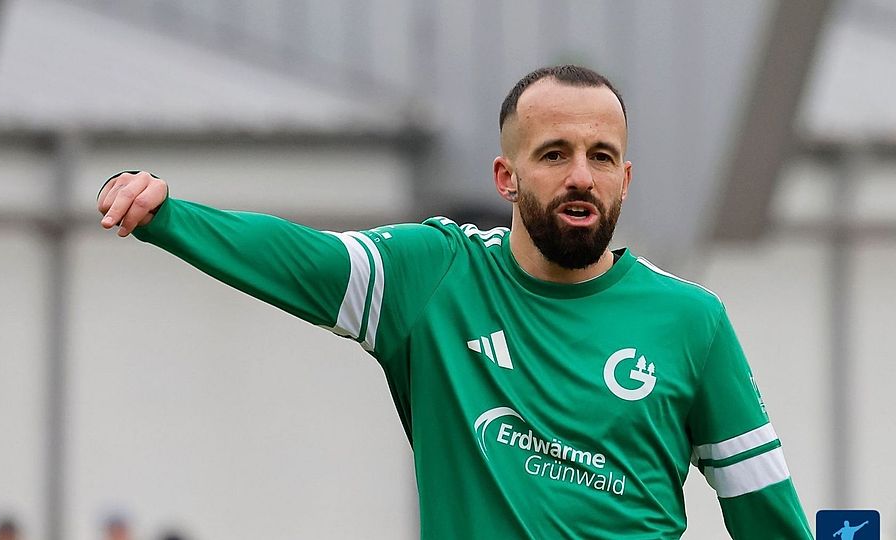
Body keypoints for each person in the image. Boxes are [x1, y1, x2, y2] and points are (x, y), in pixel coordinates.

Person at [96, 65, 812, 539]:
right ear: (507, 175)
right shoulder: (436, 276)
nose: (580, 176)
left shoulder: (692, 322)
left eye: (600, 156)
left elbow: (767, 514)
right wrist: (168, 216)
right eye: (554, 153)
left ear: (625, 177)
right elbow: (300, 260)